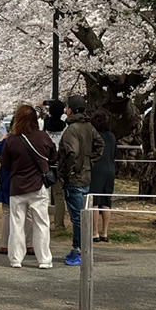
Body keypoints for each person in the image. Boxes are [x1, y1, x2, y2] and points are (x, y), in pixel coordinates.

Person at [0, 104, 56, 269]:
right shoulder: (43, 137)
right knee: (41, 223)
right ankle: (44, 259)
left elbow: (5, 163)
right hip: (39, 186)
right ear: (35, 119)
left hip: (17, 187)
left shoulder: (12, 139)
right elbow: (53, 157)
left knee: (16, 223)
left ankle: (16, 259)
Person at [57, 95, 104, 266]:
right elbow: (100, 145)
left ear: (70, 109)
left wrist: (66, 171)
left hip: (74, 179)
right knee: (83, 214)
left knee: (77, 217)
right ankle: (83, 247)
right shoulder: (88, 127)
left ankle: (78, 248)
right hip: (86, 176)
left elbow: (72, 153)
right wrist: (90, 161)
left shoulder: (72, 129)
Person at [89, 109, 117, 242]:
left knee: (94, 201)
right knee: (106, 202)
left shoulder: (94, 136)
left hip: (97, 169)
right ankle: (104, 232)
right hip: (110, 169)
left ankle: (94, 232)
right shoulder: (112, 136)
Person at [42, 99, 68, 232]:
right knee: (59, 195)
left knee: (42, 194)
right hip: (60, 161)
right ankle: (59, 224)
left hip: (46, 161)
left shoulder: (45, 124)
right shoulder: (65, 126)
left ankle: (42, 223)